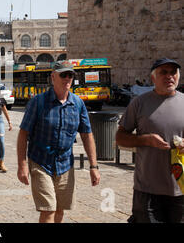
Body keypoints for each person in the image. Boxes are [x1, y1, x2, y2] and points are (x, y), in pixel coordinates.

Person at [17, 60, 100, 223]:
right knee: (49, 210)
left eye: (70, 75)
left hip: (65, 164)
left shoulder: (77, 104)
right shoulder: (38, 102)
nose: (67, 78)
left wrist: (94, 166)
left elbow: (87, 135)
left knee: (60, 210)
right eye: (64, 75)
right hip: (41, 161)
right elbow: (23, 134)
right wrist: (22, 165)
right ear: (53, 77)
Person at [116, 58, 184, 223]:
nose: (169, 76)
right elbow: (120, 138)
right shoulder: (139, 103)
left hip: (181, 189)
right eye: (164, 72)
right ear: (153, 78)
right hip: (147, 190)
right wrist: (146, 140)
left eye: (173, 72)